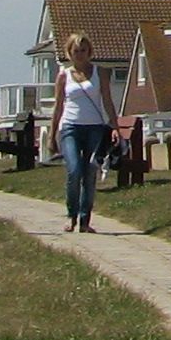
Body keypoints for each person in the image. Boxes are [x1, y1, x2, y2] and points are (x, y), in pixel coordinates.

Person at [53, 32, 112, 233]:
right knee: (74, 169)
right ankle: (71, 215)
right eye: (75, 51)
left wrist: (115, 127)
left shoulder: (100, 72)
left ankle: (85, 220)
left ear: (89, 52)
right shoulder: (63, 76)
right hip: (70, 126)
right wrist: (53, 134)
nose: (80, 55)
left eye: (83, 51)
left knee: (89, 171)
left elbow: (107, 100)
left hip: (94, 126)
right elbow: (58, 106)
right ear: (69, 53)